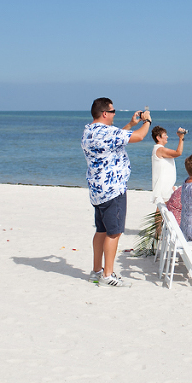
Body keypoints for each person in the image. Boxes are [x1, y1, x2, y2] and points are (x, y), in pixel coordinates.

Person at [82, 98, 151, 288]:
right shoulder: (107, 132)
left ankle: (96, 272)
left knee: (101, 231)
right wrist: (147, 121)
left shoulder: (89, 131)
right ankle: (108, 274)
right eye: (113, 112)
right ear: (105, 113)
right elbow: (139, 137)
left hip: (97, 190)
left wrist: (131, 124)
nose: (114, 114)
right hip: (113, 190)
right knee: (114, 233)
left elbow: (117, 136)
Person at [151, 126, 185, 206]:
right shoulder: (160, 149)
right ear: (158, 138)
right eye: (165, 135)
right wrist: (181, 138)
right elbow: (178, 153)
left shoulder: (159, 149)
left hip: (166, 185)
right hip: (163, 186)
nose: (167, 137)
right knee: (163, 210)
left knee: (161, 211)